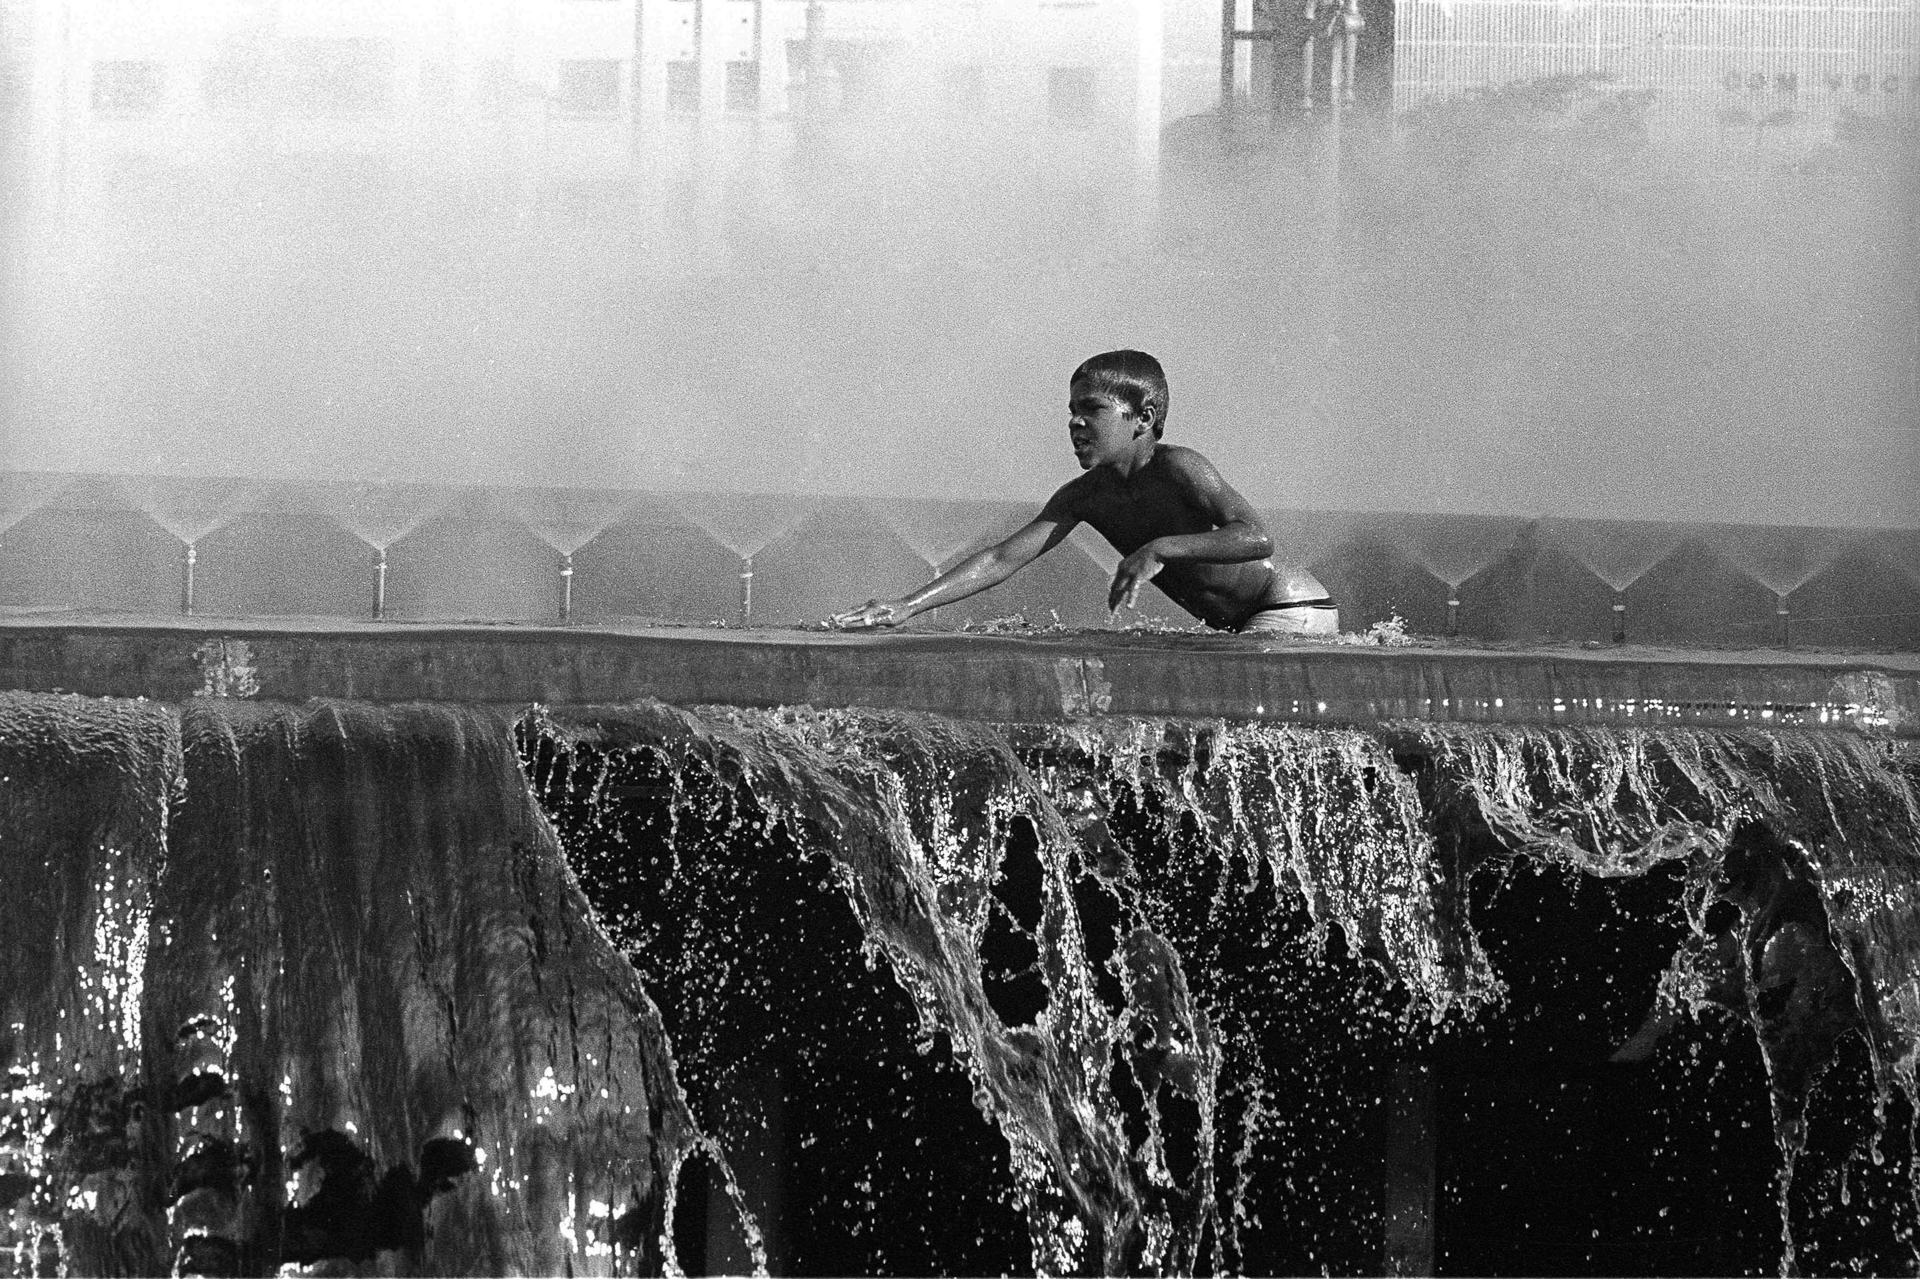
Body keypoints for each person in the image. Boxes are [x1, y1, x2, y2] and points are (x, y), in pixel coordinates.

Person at [830, 350, 1338, 635]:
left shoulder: (1181, 467)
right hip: (1239, 626)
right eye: (1071, 409)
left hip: (1288, 605)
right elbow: (1004, 557)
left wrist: (1159, 547)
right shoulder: (1083, 497)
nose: (1074, 421)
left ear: (1143, 418)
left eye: (1091, 409)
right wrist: (906, 606)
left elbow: (1256, 538)